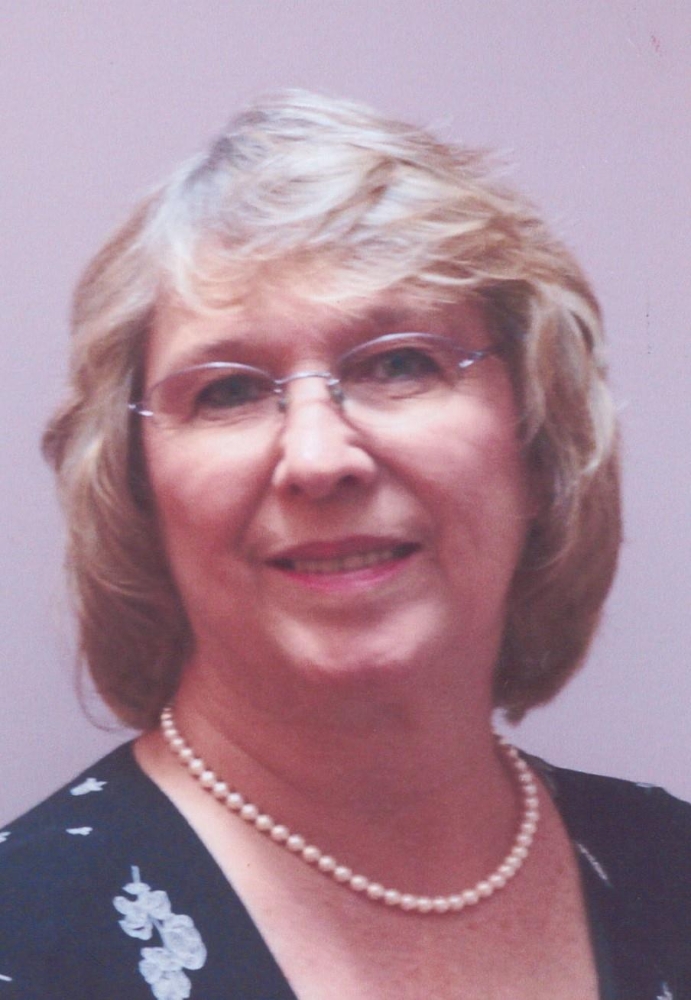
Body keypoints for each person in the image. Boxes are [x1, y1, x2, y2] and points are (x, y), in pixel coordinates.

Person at [1, 90, 689, 1000]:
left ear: (536, 440)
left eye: (399, 363)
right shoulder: (26, 941)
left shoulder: (669, 873)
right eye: (228, 392)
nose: (319, 459)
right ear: (135, 492)